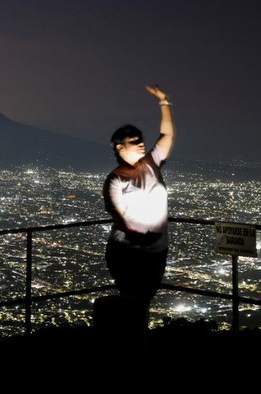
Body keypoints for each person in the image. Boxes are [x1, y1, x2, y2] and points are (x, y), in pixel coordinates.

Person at [102, 84, 175, 317]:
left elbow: (167, 135)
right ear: (120, 148)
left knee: (142, 303)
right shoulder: (115, 179)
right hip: (128, 253)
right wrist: (143, 238)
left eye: (140, 138)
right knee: (133, 303)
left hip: (156, 251)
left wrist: (164, 102)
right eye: (134, 141)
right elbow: (119, 217)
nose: (141, 142)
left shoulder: (152, 163)